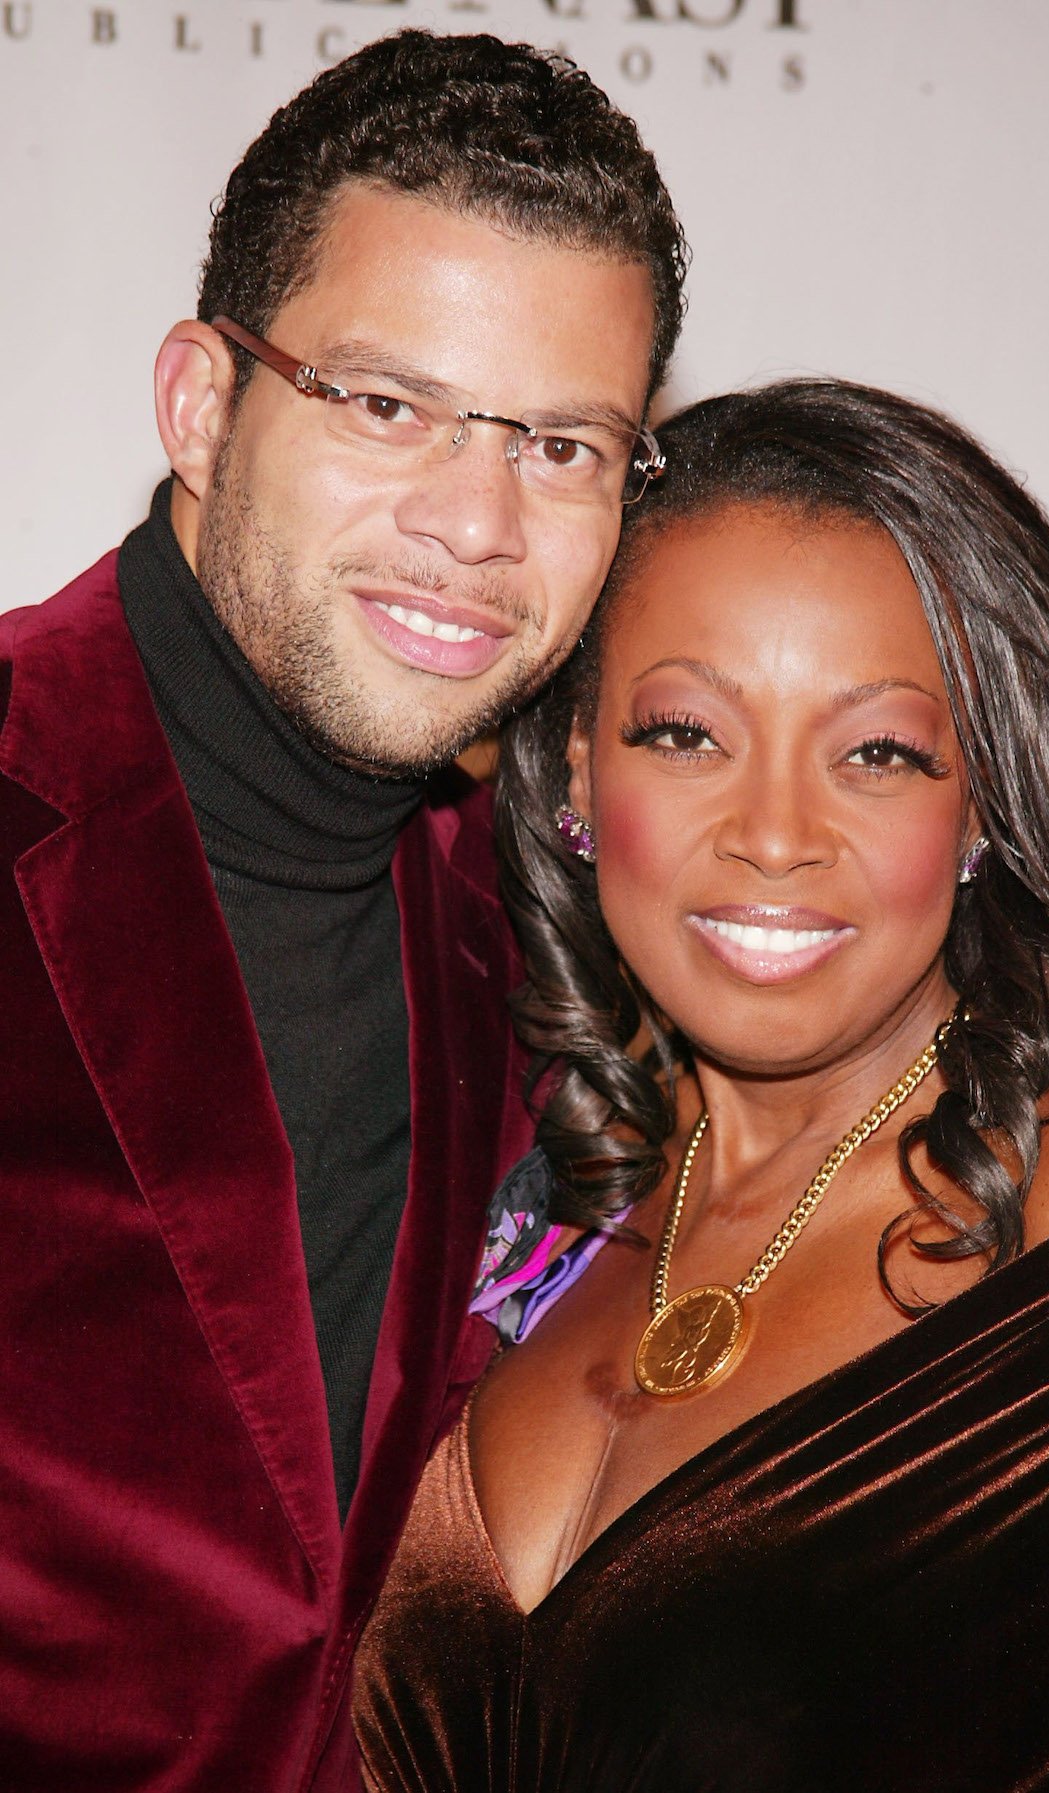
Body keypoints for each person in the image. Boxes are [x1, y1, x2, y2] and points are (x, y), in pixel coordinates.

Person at [0, 28, 686, 1792]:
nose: (473, 523)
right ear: (201, 406)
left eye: (560, 444)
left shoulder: (564, 951)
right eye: (386, 406)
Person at [354, 380, 1049, 1791]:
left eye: (877, 752)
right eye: (688, 733)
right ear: (579, 766)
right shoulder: (526, 1217)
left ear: (979, 805)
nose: (774, 834)